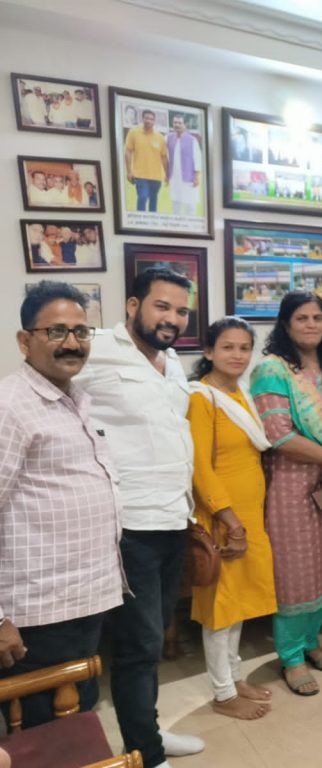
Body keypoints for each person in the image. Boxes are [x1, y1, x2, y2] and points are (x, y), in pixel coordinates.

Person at [75, 267, 203, 768]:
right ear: (133, 306)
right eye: (161, 306)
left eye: (181, 311)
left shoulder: (171, 361)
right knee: (139, 643)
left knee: (155, 636)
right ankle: (146, 754)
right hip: (129, 526)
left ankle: (146, 731)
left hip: (173, 517)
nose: (172, 318)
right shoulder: (96, 349)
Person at [0, 283, 121, 727]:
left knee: (77, 717)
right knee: (45, 736)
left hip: (80, 599)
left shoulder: (75, 398)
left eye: (81, 331)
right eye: (56, 331)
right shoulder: (11, 407)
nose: (72, 343)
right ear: (24, 340)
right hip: (36, 612)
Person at [250, 292, 322, 696]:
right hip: (293, 486)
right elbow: (279, 435)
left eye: (317, 318)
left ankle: (311, 641)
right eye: (302, 318)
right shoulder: (272, 369)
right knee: (296, 571)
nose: (311, 325)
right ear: (286, 324)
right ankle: (291, 656)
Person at [187, 316, 277, 720]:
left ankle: (235, 678)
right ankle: (223, 693)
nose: (237, 355)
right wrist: (230, 520)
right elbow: (200, 468)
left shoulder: (240, 394)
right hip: (222, 520)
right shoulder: (201, 398)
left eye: (244, 348)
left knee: (238, 604)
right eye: (227, 347)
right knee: (220, 610)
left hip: (248, 517)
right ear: (209, 351)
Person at [125, 108, 168, 213]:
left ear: (154, 121)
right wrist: (129, 171)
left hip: (156, 177)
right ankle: (140, 221)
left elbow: (164, 157)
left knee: (153, 201)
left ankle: (152, 222)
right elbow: (128, 152)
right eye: (146, 118)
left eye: (151, 119)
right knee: (142, 197)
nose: (149, 121)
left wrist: (167, 174)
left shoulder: (160, 138)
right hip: (140, 175)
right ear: (142, 119)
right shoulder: (133, 133)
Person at [167, 115, 202, 217]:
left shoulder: (192, 140)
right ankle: (176, 223)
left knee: (191, 204)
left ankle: (191, 224)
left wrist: (196, 176)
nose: (177, 125)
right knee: (176, 204)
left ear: (185, 125)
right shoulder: (169, 138)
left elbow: (197, 158)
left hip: (189, 177)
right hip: (174, 177)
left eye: (180, 123)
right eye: (175, 122)